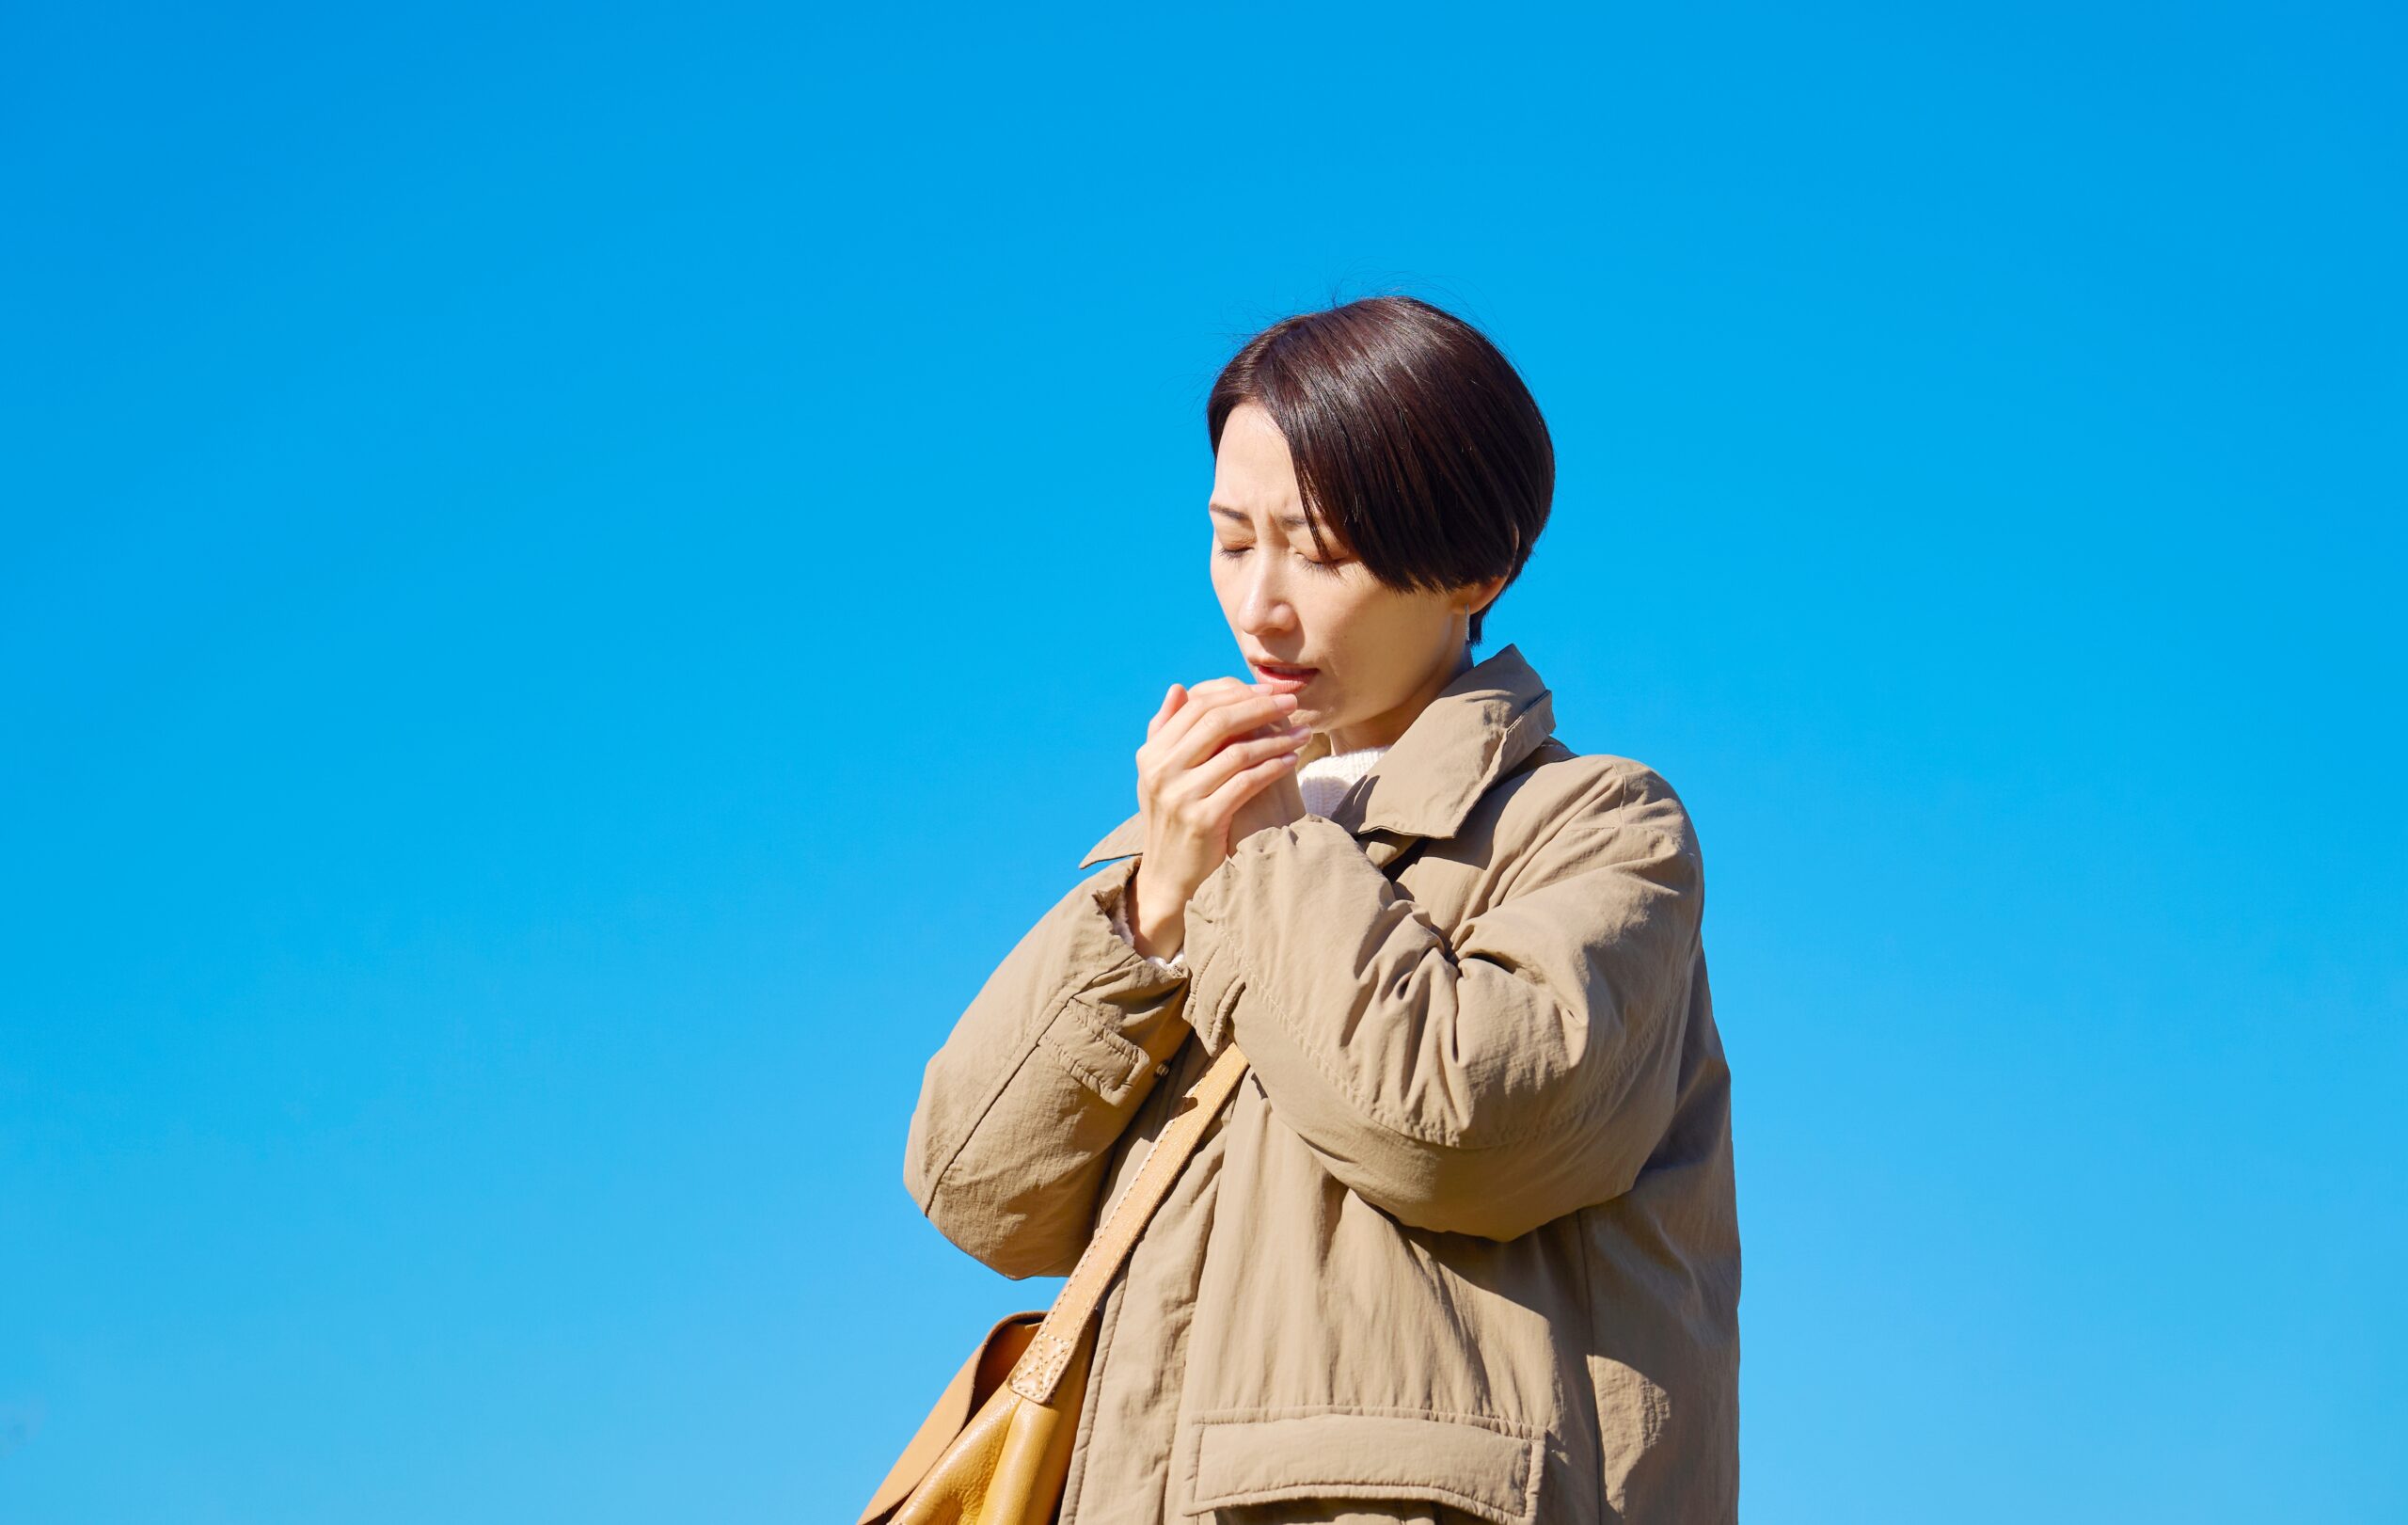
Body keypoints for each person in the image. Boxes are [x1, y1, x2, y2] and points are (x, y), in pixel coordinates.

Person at [903, 294, 1739, 1523]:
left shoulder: (1600, 825)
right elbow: (973, 1187)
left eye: (1320, 552)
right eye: (1231, 540)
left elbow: (1459, 1133)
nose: (1260, 606)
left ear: (1479, 569)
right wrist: (1152, 902)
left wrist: (1262, 856)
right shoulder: (1199, 847)